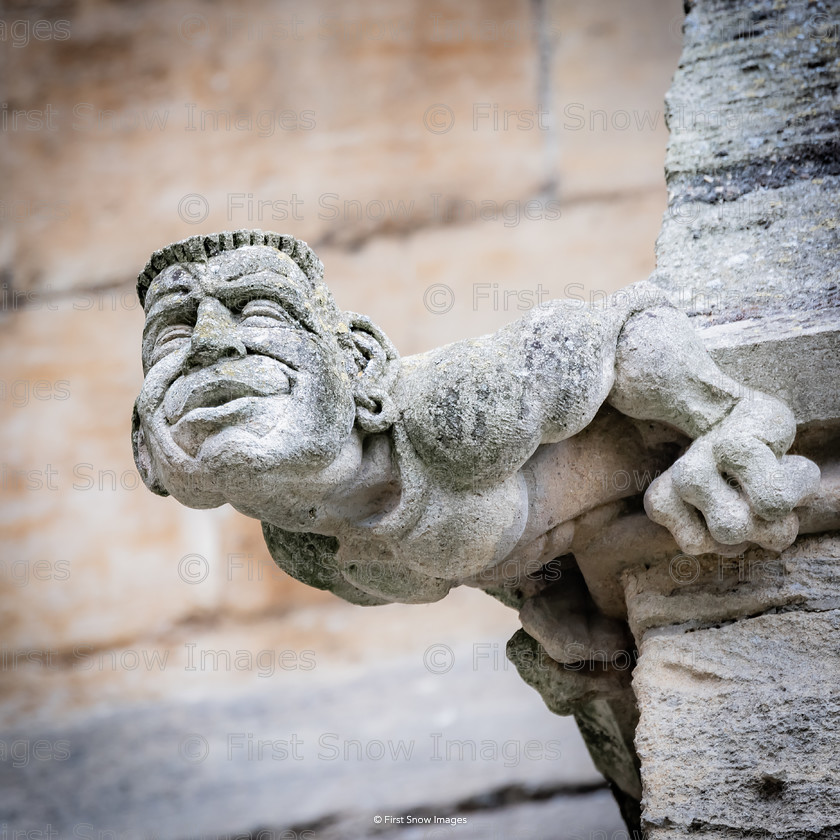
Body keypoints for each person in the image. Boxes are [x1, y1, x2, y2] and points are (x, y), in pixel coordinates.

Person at [132, 230, 819, 606]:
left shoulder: (459, 412)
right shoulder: (306, 550)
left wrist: (729, 422)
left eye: (258, 311)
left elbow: (628, 322)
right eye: (171, 333)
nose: (210, 343)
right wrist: (550, 607)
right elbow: (486, 547)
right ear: (145, 447)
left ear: (362, 366)